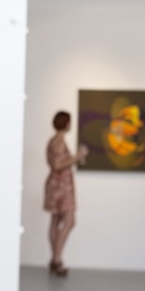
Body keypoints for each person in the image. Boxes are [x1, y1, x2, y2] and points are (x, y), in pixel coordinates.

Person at [43, 110, 88, 277]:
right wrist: (77, 157)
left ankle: (55, 258)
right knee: (68, 220)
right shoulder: (58, 142)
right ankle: (56, 259)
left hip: (59, 184)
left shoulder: (55, 141)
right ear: (66, 123)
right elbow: (57, 165)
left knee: (56, 220)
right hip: (61, 186)